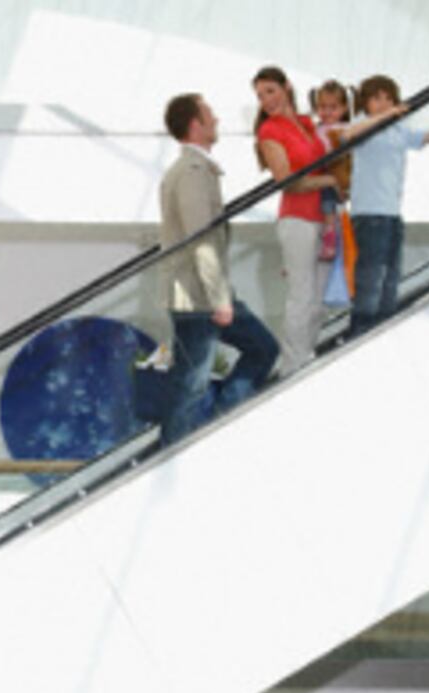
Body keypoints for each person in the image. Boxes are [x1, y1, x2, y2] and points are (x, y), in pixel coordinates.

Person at [158, 93, 279, 445]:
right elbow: (201, 239)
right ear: (195, 125)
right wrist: (219, 299)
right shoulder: (193, 172)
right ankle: (180, 450)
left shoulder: (196, 169)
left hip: (203, 295)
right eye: (210, 114)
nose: (217, 121)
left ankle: (212, 426)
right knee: (191, 383)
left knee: (259, 350)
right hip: (199, 298)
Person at [341, 75, 429, 339]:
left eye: (388, 98)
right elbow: (348, 135)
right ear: (366, 101)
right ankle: (359, 334)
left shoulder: (398, 131)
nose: (384, 103)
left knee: (390, 282)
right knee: (370, 281)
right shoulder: (361, 124)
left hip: (392, 215)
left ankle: (382, 333)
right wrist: (386, 116)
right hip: (369, 214)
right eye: (377, 98)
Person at [253, 66, 338, 372]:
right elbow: (286, 180)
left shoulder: (307, 123)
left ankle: (306, 357)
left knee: (319, 299)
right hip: (297, 220)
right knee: (301, 294)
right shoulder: (270, 131)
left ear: (287, 87)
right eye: (260, 95)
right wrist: (327, 181)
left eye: (270, 91)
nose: (265, 100)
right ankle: (292, 366)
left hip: (324, 219)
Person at [310, 80, 353, 260]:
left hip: (338, 173)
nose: (327, 112)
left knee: (329, 205)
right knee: (322, 206)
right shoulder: (316, 129)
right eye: (322, 107)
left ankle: (331, 240)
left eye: (333, 107)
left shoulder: (346, 129)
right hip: (322, 175)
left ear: (343, 108)